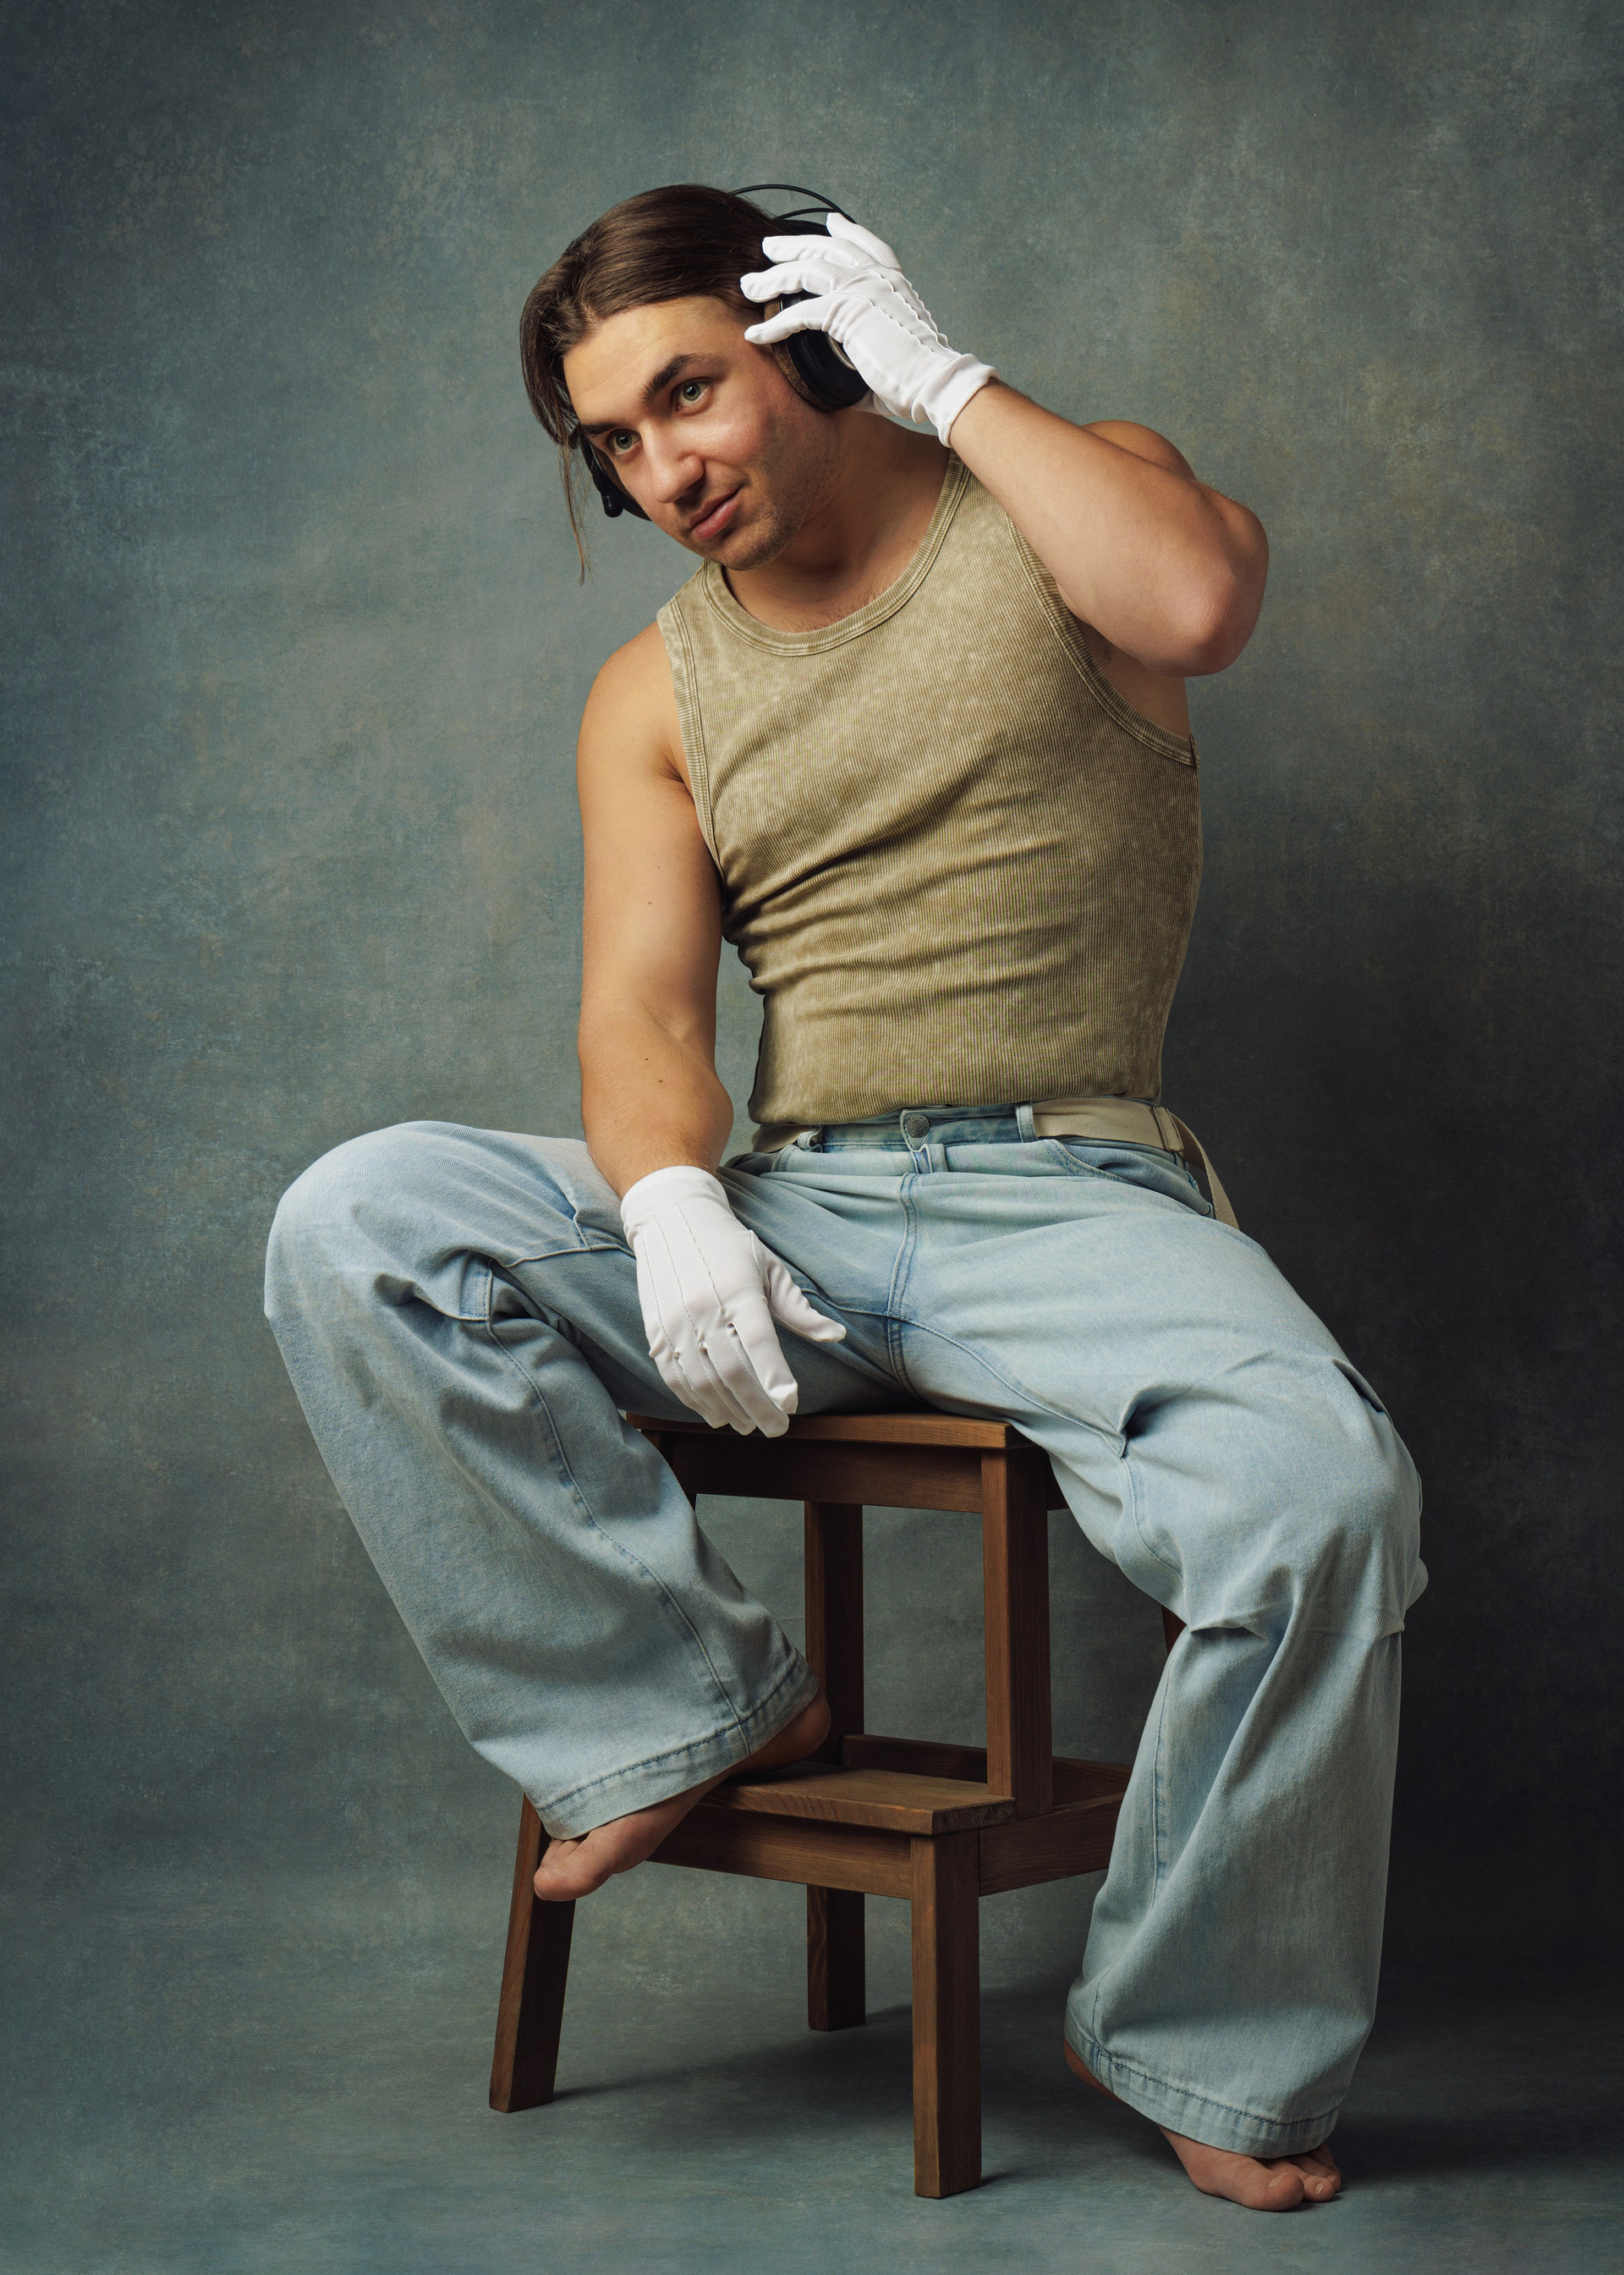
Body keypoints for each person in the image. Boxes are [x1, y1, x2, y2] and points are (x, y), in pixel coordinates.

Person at [264, 184, 1424, 2214]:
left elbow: (1199, 604)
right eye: (613, 444)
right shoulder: (652, 691)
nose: (662, 470)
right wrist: (667, 1207)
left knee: (1325, 1501)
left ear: (806, 342)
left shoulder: (1064, 505)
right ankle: (693, 1707)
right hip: (794, 1206)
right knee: (359, 1218)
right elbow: (642, 1016)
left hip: (1072, 1196)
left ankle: (1198, 2035)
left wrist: (943, 379)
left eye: (687, 394)